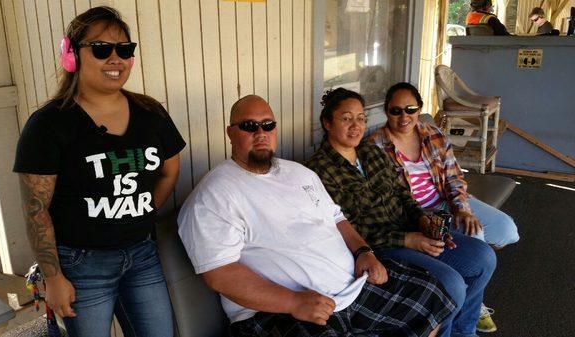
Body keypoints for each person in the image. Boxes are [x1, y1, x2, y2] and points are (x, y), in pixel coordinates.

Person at [178, 95, 456, 337]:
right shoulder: (214, 195)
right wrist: (293, 302)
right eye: (249, 126)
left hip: (349, 289)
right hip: (278, 311)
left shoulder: (299, 173)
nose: (260, 132)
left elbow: (337, 218)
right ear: (230, 132)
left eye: (268, 125)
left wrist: (364, 252)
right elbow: (220, 274)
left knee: (430, 295)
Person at [14, 6, 185, 337]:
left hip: (141, 255)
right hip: (81, 264)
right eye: (102, 49)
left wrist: (141, 209)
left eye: (125, 50)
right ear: (73, 56)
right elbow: (37, 210)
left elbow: (169, 169)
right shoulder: (49, 125)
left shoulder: (150, 112)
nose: (115, 59)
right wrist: (53, 277)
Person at [306, 88, 497, 337]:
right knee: (452, 285)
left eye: (361, 118)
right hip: (380, 247)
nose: (356, 126)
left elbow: (402, 194)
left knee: (483, 257)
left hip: (410, 230)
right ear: (327, 122)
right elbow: (344, 229)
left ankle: (464, 331)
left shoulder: (370, 152)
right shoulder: (318, 171)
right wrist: (407, 240)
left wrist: (423, 220)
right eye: (346, 118)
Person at [368, 82, 520, 333]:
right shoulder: (376, 146)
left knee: (507, 230)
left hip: (448, 201)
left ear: (419, 109)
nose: (404, 116)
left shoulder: (433, 134)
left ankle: (473, 292)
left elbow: (453, 178)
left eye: (410, 109)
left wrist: (462, 209)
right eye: (396, 111)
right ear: (387, 112)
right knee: (477, 240)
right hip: (420, 214)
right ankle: (471, 309)